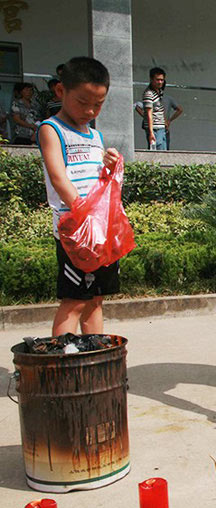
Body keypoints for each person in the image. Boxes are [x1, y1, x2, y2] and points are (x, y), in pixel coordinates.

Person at [36, 57, 122, 336]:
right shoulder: (51, 129)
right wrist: (83, 212)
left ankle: (93, 358)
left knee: (96, 299)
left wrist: (108, 165)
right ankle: (64, 364)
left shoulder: (94, 136)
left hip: (97, 230)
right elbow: (59, 177)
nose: (89, 110)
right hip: (75, 231)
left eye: (98, 104)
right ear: (61, 92)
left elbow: (97, 180)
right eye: (82, 102)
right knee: (74, 300)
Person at [142, 67, 168, 150]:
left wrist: (165, 122)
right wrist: (151, 132)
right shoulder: (148, 93)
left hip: (161, 127)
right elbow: (149, 113)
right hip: (155, 128)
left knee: (164, 151)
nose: (160, 82)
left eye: (162, 80)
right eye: (157, 80)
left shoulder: (159, 92)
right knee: (157, 152)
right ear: (151, 79)